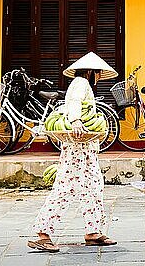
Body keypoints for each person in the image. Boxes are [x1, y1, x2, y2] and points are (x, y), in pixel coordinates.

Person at [28, 52, 118, 252]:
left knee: (93, 186)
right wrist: (76, 120)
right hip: (76, 145)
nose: (100, 77)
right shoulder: (80, 83)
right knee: (66, 187)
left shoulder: (84, 85)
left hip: (86, 146)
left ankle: (93, 232)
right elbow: (74, 103)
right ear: (90, 72)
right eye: (98, 73)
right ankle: (42, 233)